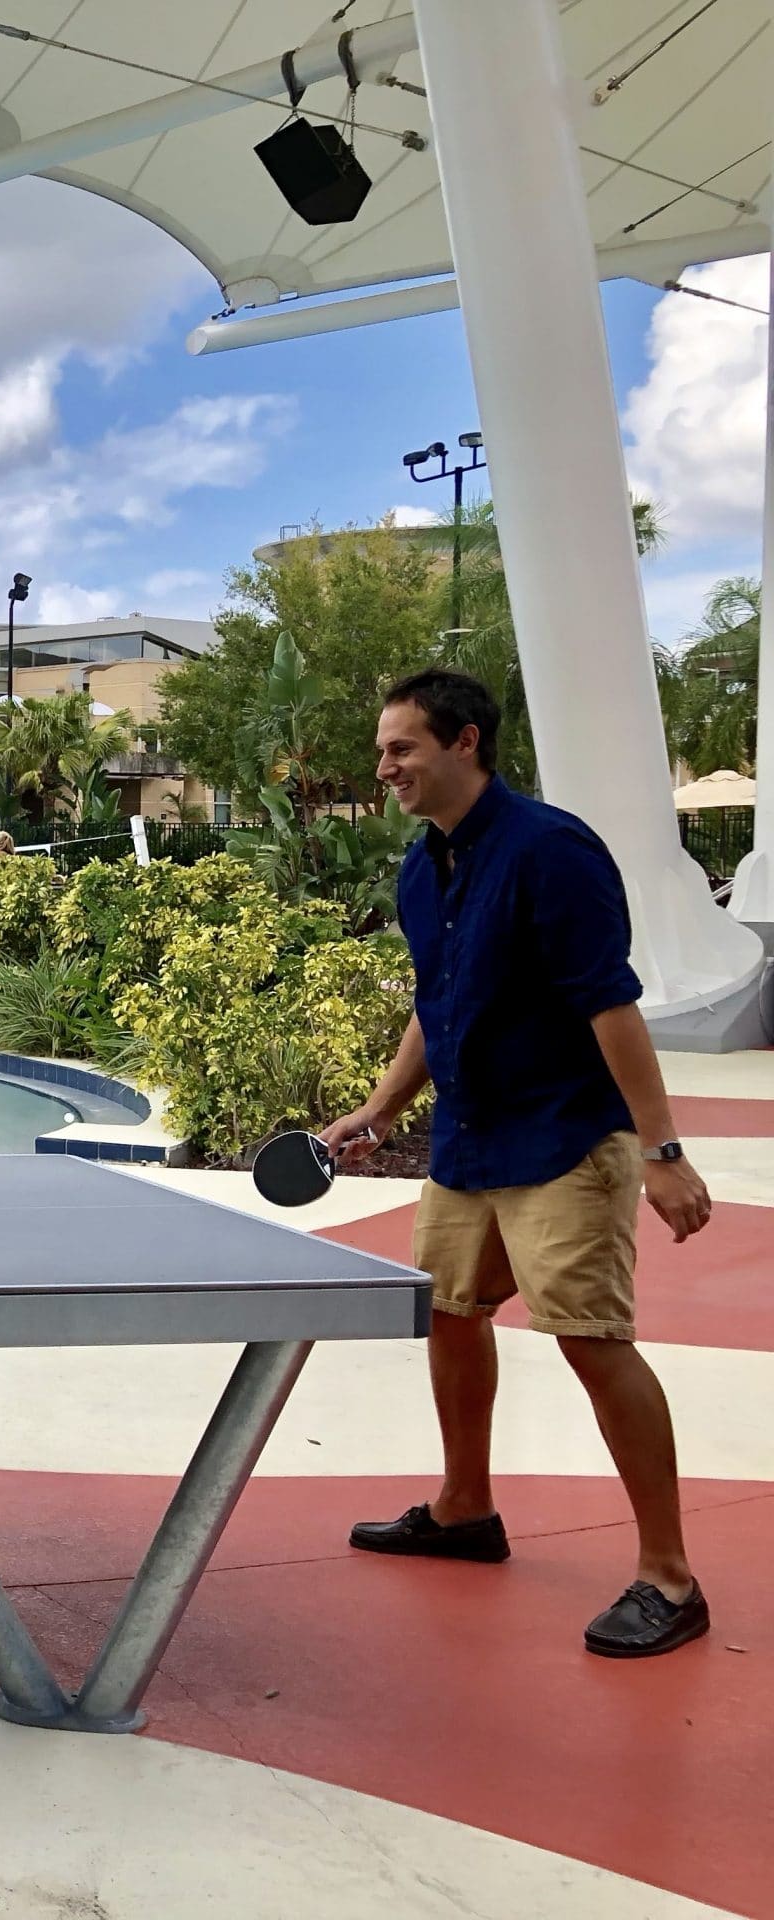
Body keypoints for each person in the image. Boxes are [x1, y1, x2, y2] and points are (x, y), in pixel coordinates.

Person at [321, 669, 713, 1658]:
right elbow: (434, 1001)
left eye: (401, 747)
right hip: (468, 1142)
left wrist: (659, 1151)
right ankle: (463, 1509)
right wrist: (379, 1108)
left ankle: (669, 1576)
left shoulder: (551, 851)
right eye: (382, 749)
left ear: (463, 743)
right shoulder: (423, 868)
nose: (385, 766)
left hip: (561, 1139)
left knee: (590, 1338)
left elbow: (608, 1004)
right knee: (448, 1317)